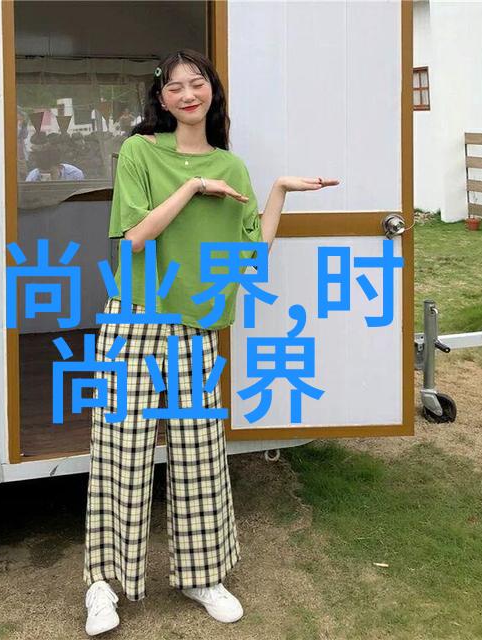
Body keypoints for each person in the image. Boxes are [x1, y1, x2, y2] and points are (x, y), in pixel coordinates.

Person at [82, 48, 339, 637]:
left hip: (198, 326)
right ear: (162, 98)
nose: (187, 94)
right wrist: (194, 186)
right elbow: (136, 236)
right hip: (136, 318)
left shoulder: (233, 166)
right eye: (175, 87)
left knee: (199, 455)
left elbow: (251, 252)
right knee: (121, 453)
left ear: (212, 92)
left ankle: (202, 575)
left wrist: (278, 191)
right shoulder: (140, 151)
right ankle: (103, 583)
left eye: (197, 83)